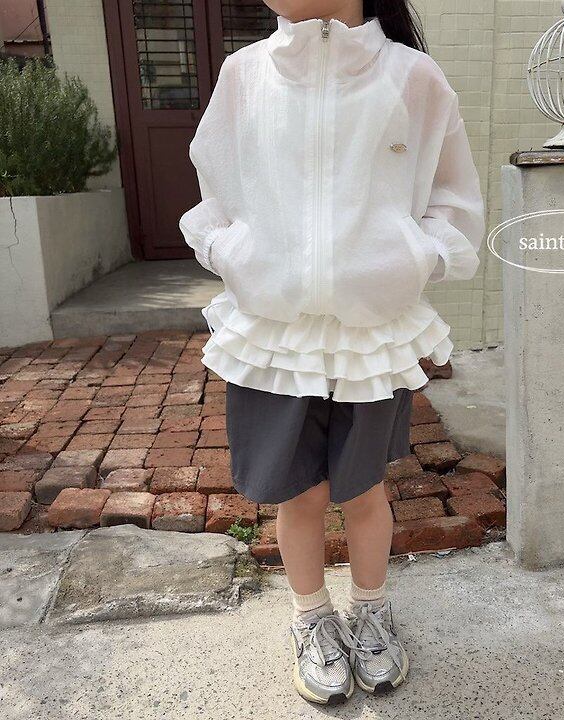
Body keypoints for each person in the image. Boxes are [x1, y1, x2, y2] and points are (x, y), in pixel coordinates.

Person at [179, 0, 485, 705]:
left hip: (370, 332)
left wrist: (412, 259)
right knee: (301, 493)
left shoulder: (413, 77)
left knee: (363, 489)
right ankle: (311, 619)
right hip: (272, 333)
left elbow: (453, 196)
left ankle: (371, 613)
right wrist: (232, 251)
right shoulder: (246, 74)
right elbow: (214, 185)